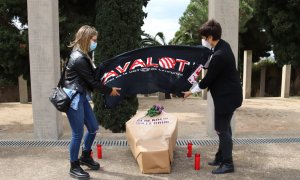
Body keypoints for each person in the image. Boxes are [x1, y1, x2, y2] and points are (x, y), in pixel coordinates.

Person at [182, 19, 242, 174]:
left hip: (227, 98)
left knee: (221, 129)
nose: (203, 40)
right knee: (225, 128)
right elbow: (210, 64)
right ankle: (221, 157)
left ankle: (228, 163)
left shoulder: (220, 55)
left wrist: (190, 91)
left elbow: (208, 79)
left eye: (204, 37)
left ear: (210, 37)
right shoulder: (223, 45)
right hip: (229, 95)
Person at [64, 25, 121, 179]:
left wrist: (103, 68)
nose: (95, 43)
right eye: (94, 40)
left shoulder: (84, 55)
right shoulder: (78, 58)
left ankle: (86, 156)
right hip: (74, 98)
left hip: (81, 96)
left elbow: (91, 78)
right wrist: (110, 90)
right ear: (86, 39)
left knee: (93, 128)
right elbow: (93, 83)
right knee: (77, 133)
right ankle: (73, 166)